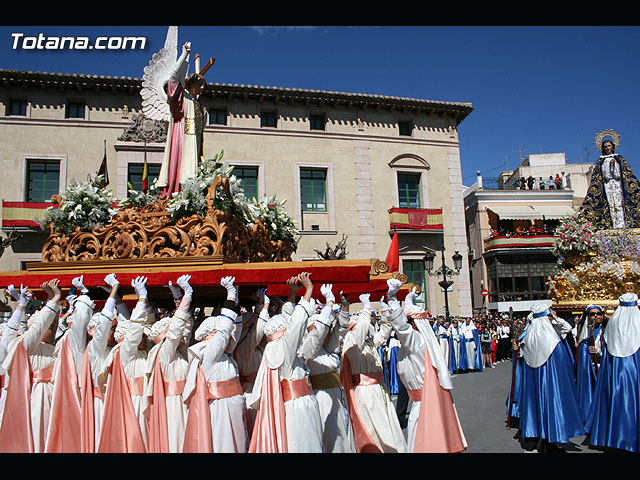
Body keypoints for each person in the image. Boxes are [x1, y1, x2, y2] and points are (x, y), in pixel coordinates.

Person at [382, 281, 467, 453]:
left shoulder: (417, 342)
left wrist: (392, 299)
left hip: (421, 406)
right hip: (418, 403)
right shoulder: (418, 342)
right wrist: (407, 301)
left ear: (413, 324)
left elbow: (402, 329)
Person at [247, 272, 324, 453]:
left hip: (301, 404)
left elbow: (290, 322)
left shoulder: (277, 348)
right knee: (304, 447)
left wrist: (292, 294)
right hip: (299, 408)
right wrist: (308, 291)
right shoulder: (283, 349)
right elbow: (296, 325)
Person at [182, 276, 247, 453]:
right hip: (221, 409)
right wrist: (230, 296)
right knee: (224, 445)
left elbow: (233, 333)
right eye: (224, 336)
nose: (230, 340)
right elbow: (224, 333)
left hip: (233, 407)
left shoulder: (224, 354)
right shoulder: (207, 354)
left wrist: (236, 304)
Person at [340, 292, 407, 453]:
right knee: (376, 428)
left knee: (388, 424)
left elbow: (383, 334)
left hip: (379, 389)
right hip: (366, 392)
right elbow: (360, 333)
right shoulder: (352, 342)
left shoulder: (368, 344)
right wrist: (366, 308)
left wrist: (385, 311)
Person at [0, 279, 62, 453]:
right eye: (52, 326)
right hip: (36, 401)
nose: (55, 328)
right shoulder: (25, 345)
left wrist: (51, 300)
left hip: (54, 400)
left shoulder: (55, 347)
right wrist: (55, 298)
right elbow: (35, 328)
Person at [515, 304, 585, 452]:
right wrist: (554, 318)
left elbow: (520, 354)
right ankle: (548, 439)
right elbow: (567, 328)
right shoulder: (552, 338)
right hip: (551, 382)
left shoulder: (529, 335)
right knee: (550, 405)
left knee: (533, 404)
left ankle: (532, 437)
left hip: (533, 379)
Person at [298, 283, 356, 453]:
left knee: (343, 436)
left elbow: (341, 330)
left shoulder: (328, 349)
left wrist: (344, 305)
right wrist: (329, 304)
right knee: (330, 438)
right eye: (325, 332)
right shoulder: (308, 350)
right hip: (321, 399)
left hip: (337, 396)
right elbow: (316, 337)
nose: (328, 334)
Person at [145, 274, 194, 453]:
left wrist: (178, 298)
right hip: (174, 405)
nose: (181, 337)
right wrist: (187, 296)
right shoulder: (162, 352)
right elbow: (176, 332)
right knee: (177, 441)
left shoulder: (178, 350)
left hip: (186, 400)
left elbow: (185, 328)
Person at [586, 293, 640, 453]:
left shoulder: (613, 322)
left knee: (615, 402)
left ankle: (614, 437)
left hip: (615, 372)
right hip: (635, 371)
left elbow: (604, 347)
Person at [157, 41, 207, 196]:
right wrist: (184, 55)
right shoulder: (182, 96)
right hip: (182, 137)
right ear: (191, 84)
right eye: (200, 84)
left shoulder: (198, 104)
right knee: (181, 166)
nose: (202, 88)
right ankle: (177, 191)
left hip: (195, 142)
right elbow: (173, 78)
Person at [581, 136, 640, 229]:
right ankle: (612, 224)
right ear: (603, 149)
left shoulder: (619, 158)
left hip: (618, 185)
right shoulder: (601, 160)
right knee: (611, 203)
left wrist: (614, 168)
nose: (608, 148)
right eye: (606, 147)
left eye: (609, 146)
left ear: (612, 146)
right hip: (607, 185)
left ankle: (622, 223)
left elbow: (625, 173)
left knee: (619, 202)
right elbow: (598, 176)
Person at [575, 305, 604, 424]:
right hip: (590, 368)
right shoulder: (585, 335)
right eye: (592, 314)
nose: (595, 316)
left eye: (598, 313)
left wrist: (599, 351)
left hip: (603, 366)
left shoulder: (607, 330)